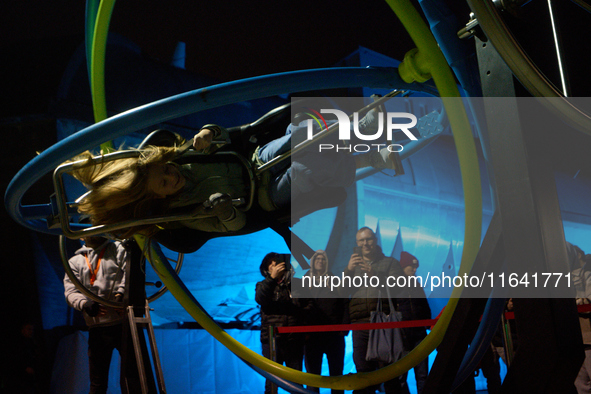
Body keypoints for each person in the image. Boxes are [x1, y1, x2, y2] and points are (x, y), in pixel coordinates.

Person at [70, 109, 403, 239]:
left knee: (300, 136)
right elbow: (232, 225)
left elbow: (227, 137)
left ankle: (364, 129)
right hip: (264, 196)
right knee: (306, 170)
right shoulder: (184, 213)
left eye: (168, 168)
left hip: (255, 159)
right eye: (166, 182)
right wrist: (224, 211)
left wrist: (207, 133)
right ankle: (374, 159)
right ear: (158, 197)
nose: (173, 175)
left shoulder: (188, 158)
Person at [343, 227, 409, 394]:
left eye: (369, 239)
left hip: (383, 323)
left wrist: (374, 274)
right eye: (361, 240)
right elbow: (341, 291)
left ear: (375, 240)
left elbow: (396, 286)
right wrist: (349, 270)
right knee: (363, 373)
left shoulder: (391, 262)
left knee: (389, 373)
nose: (365, 243)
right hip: (359, 325)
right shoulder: (352, 265)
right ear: (357, 243)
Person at [63, 234, 128, 394]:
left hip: (124, 324)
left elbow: (130, 274)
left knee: (132, 378)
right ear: (82, 235)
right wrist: (85, 304)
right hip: (98, 328)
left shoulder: (119, 249)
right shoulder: (75, 262)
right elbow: (70, 292)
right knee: (98, 383)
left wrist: (122, 296)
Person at [255, 252, 308, 394]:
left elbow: (304, 304)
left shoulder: (294, 285)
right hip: (272, 340)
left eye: (277, 262)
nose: (275, 265)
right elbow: (260, 298)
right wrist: (272, 279)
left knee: (297, 379)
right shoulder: (262, 285)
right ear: (267, 269)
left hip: (293, 339)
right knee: (272, 380)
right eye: (271, 263)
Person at [302, 250, 348, 394]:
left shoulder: (335, 281)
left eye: (323, 259)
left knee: (337, 375)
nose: (320, 261)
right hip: (312, 336)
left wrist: (344, 329)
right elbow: (299, 307)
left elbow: (345, 304)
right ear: (313, 262)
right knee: (313, 376)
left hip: (334, 335)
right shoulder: (304, 281)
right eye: (317, 259)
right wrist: (303, 332)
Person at [397, 251, 431, 394]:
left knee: (421, 375)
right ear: (404, 267)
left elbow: (424, 306)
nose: (415, 270)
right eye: (412, 266)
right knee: (401, 376)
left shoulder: (417, 285)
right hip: (403, 335)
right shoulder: (395, 286)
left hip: (417, 334)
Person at [569, 244, 591, 393]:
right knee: (580, 384)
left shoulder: (586, 274)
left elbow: (588, 299)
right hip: (573, 340)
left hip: (587, 337)